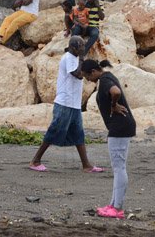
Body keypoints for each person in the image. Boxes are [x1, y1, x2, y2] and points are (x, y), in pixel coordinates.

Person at [29, 36, 103, 173]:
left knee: (78, 134)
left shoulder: (75, 58)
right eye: (81, 47)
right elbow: (77, 74)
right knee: (54, 130)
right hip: (64, 102)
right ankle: (35, 160)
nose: (83, 49)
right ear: (73, 47)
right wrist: (82, 58)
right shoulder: (68, 57)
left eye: (83, 46)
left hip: (74, 104)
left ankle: (86, 165)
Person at [82, 59, 136, 219]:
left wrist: (113, 105)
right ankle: (113, 204)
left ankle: (117, 208)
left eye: (86, 76)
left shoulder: (105, 81)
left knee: (119, 168)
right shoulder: (107, 76)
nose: (87, 79)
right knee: (118, 167)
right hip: (122, 126)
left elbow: (116, 92)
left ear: (93, 72)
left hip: (119, 128)